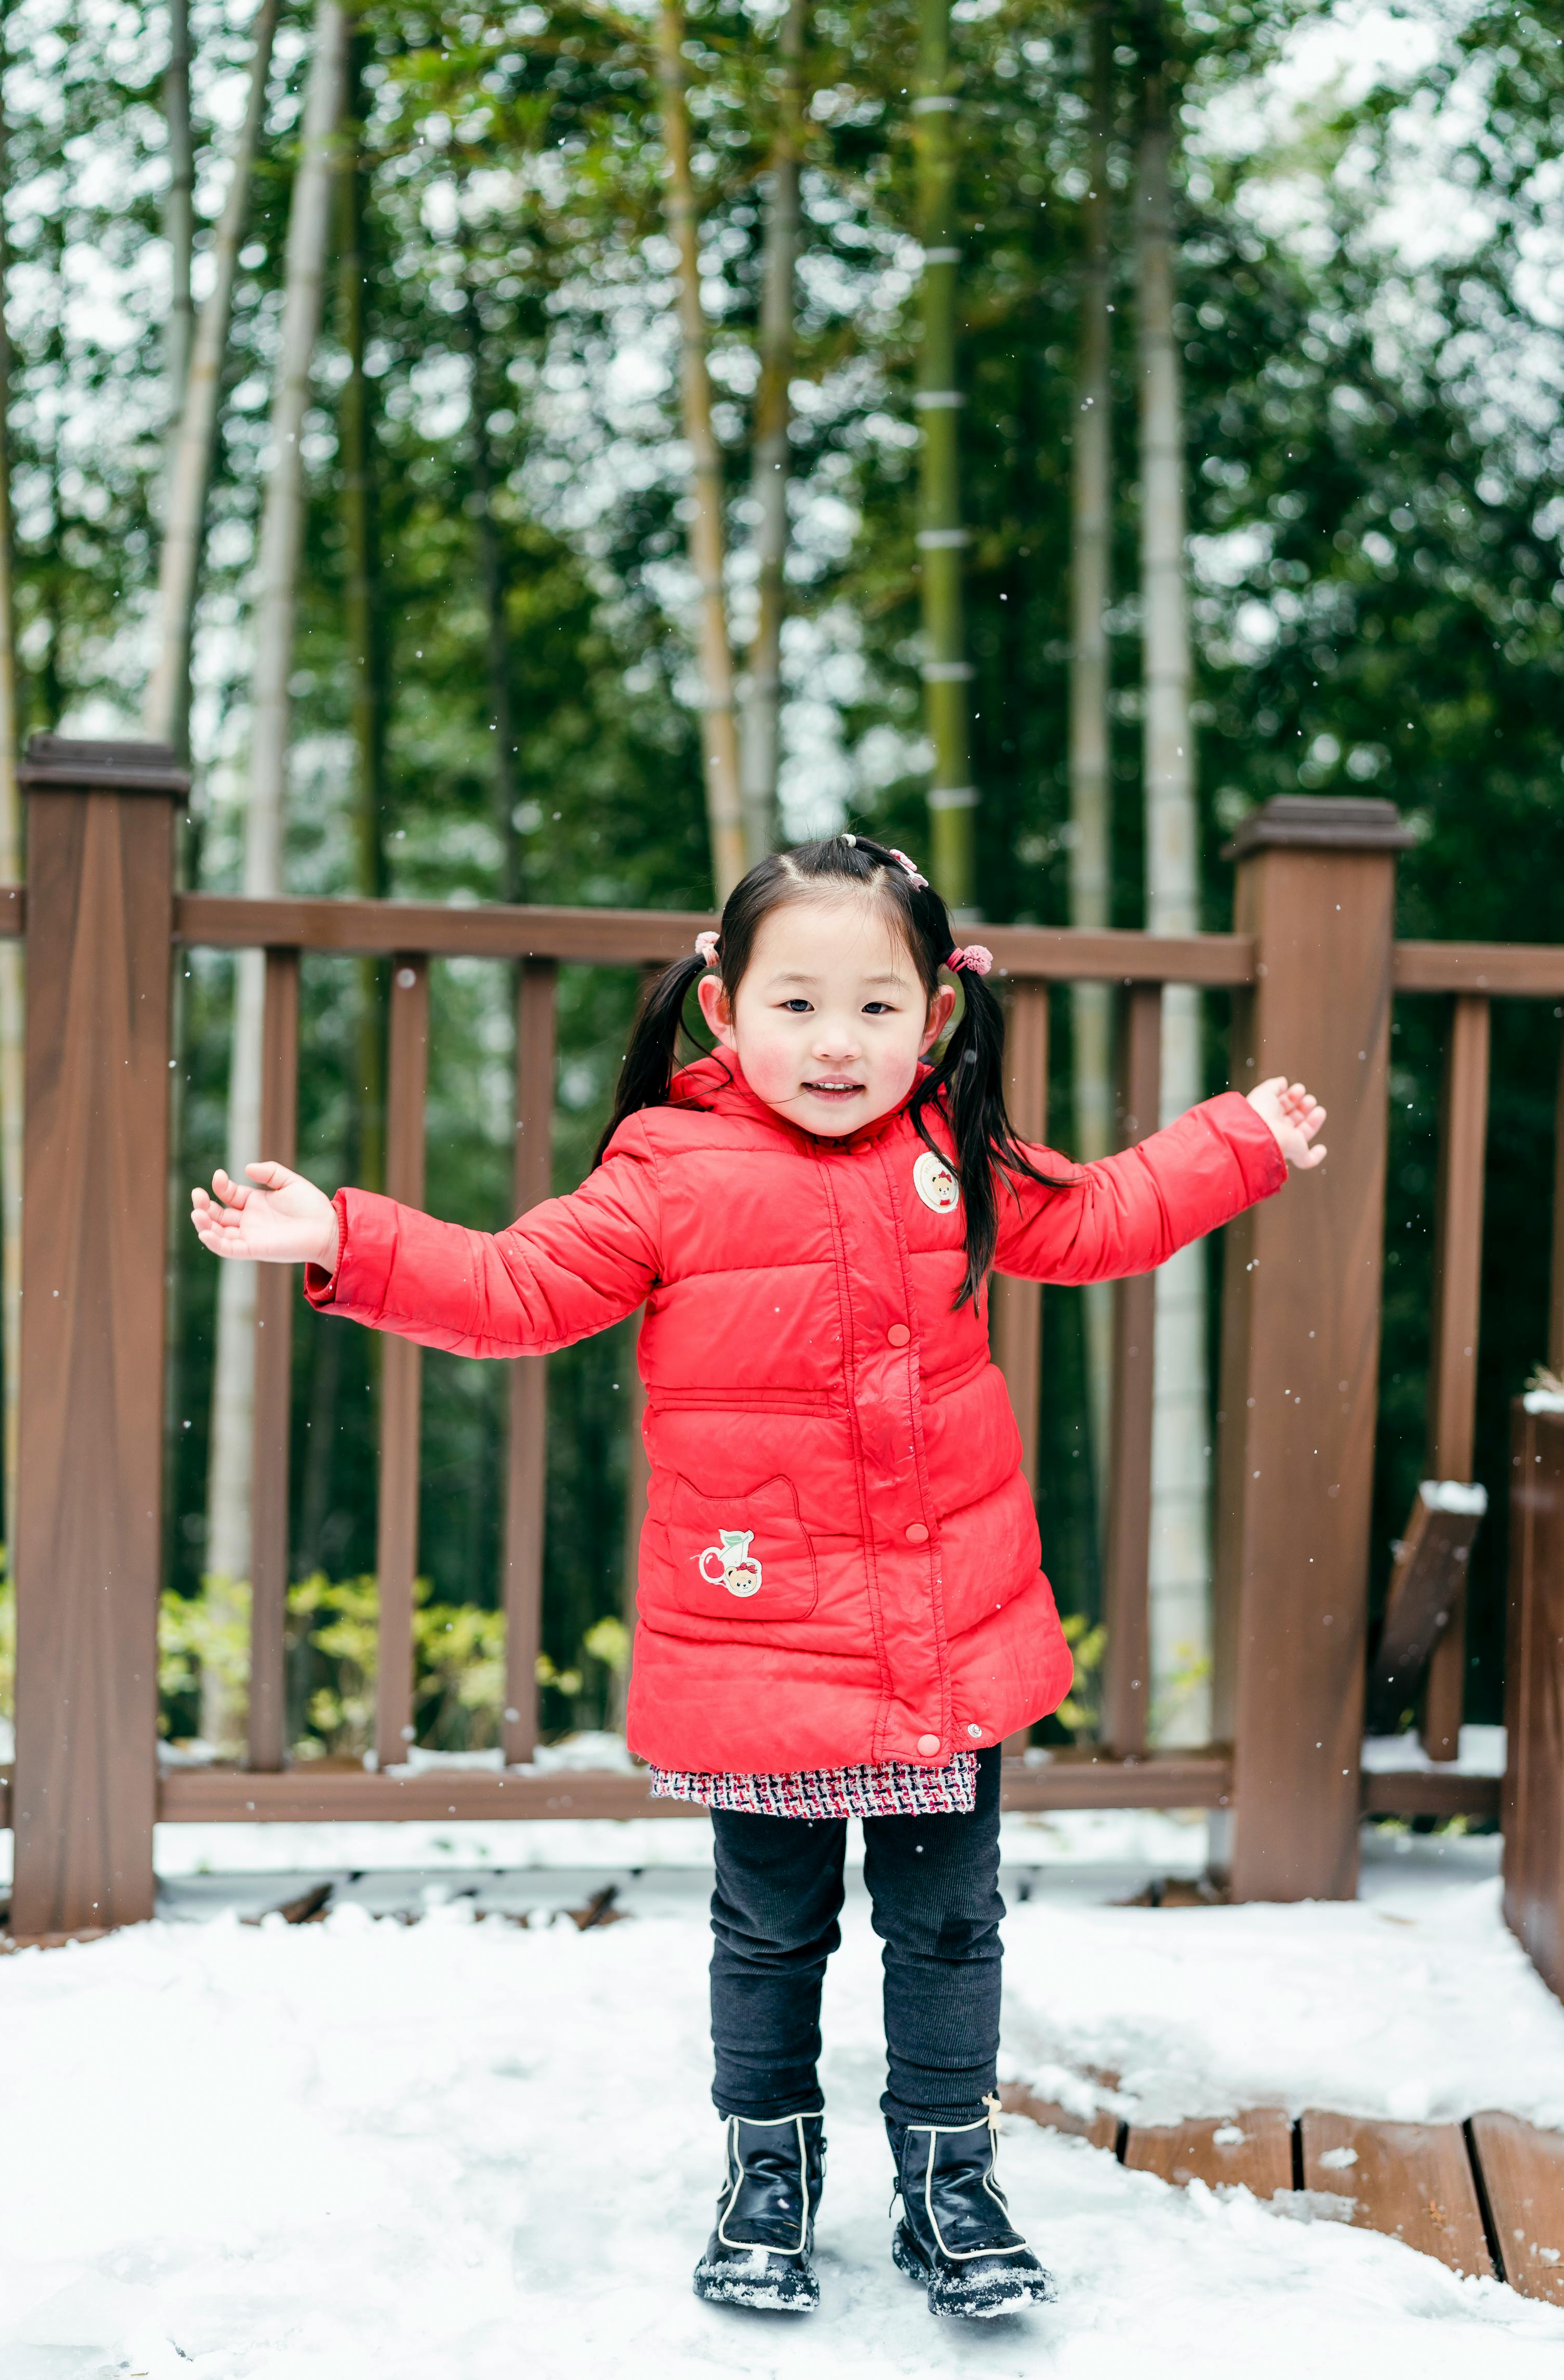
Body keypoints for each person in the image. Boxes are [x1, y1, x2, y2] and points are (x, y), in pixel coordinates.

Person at [192, 832, 1324, 2323]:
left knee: (946, 1925)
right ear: (725, 1012)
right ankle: (769, 2168)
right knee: (769, 1927)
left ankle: (946, 2174)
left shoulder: (951, 1153)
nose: (836, 1043)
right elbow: (518, 1288)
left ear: (933, 1017)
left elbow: (1101, 1217)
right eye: (797, 1005)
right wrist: (348, 1233)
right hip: (758, 1632)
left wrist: (1229, 1144)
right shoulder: (668, 1166)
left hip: (937, 1630)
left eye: (875, 1007)